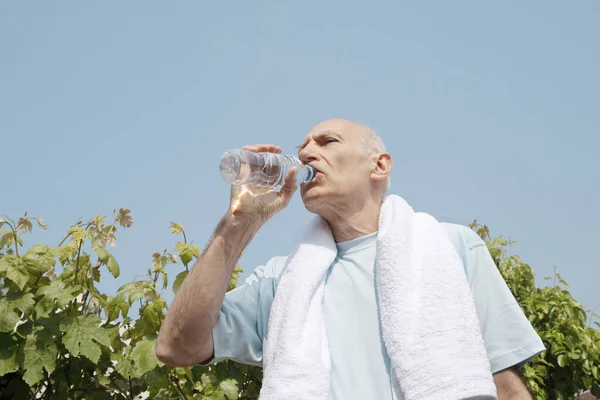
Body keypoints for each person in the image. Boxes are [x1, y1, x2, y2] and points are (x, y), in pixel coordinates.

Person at [156, 119, 546, 399]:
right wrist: (238, 222)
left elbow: (501, 382)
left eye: (327, 141)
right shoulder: (284, 279)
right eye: (304, 145)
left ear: (379, 165)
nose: (306, 152)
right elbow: (177, 347)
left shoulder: (451, 245)